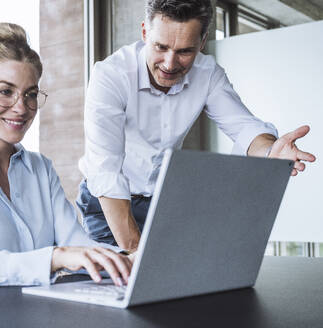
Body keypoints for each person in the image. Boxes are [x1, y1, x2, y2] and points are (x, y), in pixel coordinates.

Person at [77, 0, 316, 252]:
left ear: (202, 43)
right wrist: (136, 254)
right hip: (107, 204)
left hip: (161, 202)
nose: (170, 63)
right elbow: (106, 171)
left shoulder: (207, 73)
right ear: (145, 32)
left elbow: (245, 128)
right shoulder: (111, 76)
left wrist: (270, 149)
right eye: (161, 47)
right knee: (119, 283)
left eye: (185, 51)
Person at [0, 23, 132, 292]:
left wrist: (129, 258)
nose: (21, 108)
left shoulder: (41, 168)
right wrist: (54, 258)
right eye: (6, 92)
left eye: (30, 94)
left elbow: (78, 243)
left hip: (30, 313)